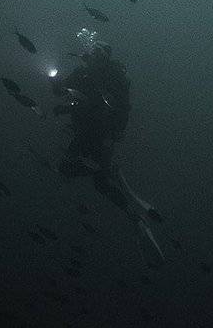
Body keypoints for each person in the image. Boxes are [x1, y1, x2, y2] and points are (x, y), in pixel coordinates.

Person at [51, 30, 164, 263]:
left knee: (79, 172)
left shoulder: (111, 77)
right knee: (91, 179)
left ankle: (110, 178)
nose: (90, 56)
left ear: (102, 55)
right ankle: (129, 208)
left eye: (94, 53)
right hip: (89, 132)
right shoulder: (82, 74)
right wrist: (55, 83)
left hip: (99, 133)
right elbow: (62, 91)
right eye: (90, 53)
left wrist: (113, 134)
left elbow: (113, 108)